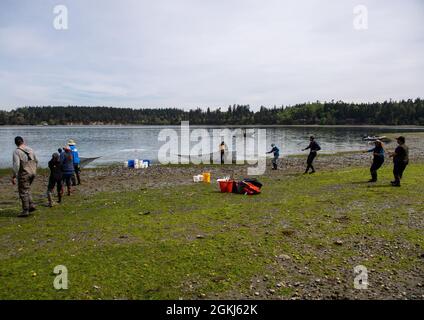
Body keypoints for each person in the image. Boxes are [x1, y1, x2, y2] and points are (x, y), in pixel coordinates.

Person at [11, 136, 38, 217]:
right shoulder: (31, 149)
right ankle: (31, 205)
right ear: (23, 141)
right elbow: (36, 161)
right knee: (27, 189)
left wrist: (14, 176)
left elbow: (16, 165)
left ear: (15, 143)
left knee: (23, 192)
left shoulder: (16, 152)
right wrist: (34, 170)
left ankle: (25, 210)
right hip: (33, 172)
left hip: (24, 173)